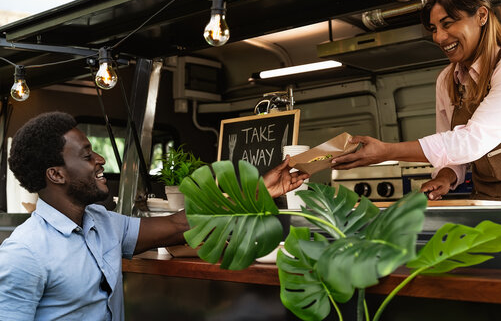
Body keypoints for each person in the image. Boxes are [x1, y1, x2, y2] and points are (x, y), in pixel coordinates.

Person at [0, 111, 308, 320]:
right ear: (56, 174)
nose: (100, 159)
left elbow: (179, 224)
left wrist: (259, 193)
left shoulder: (102, 222)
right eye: (86, 155)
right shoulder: (25, 253)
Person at [332, 0, 501, 203]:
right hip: (490, 202)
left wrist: (387, 151)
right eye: (433, 28)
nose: (439, 37)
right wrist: (446, 176)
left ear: (481, 16)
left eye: (448, 24)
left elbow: (471, 141)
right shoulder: (447, 80)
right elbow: (454, 149)